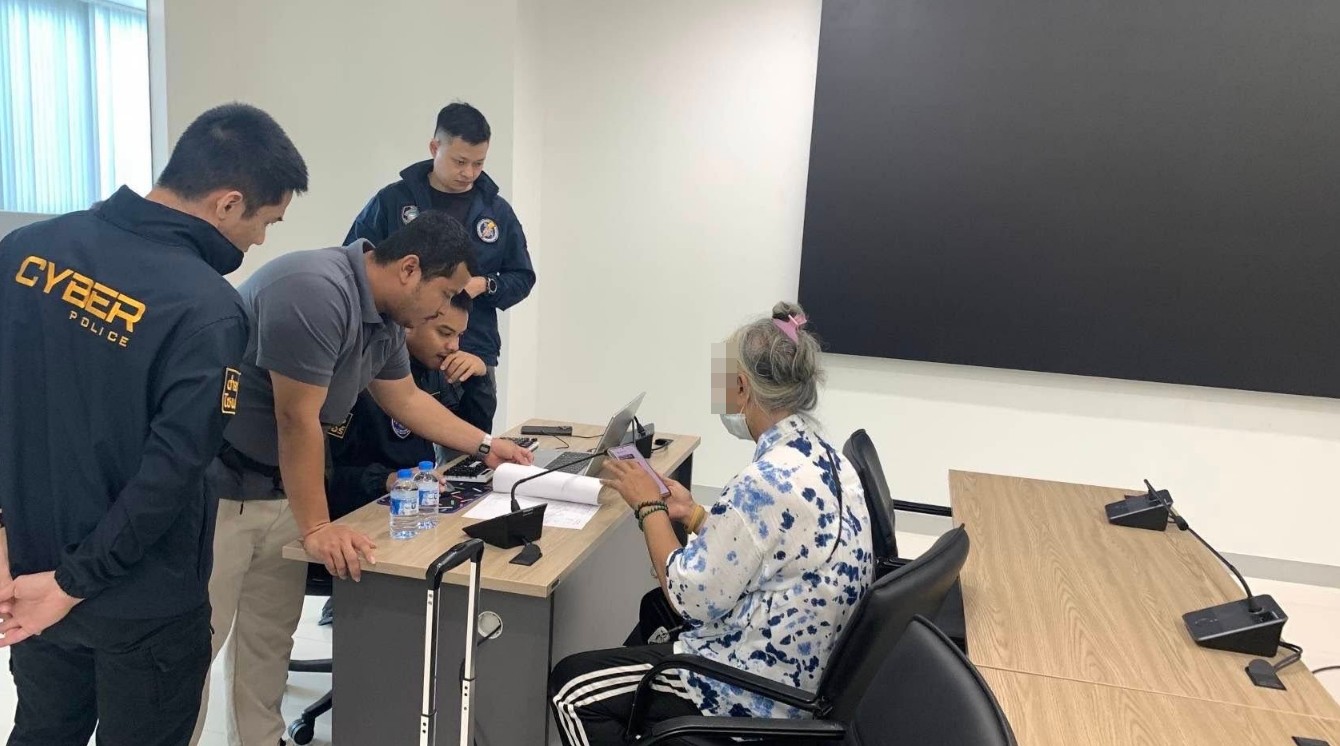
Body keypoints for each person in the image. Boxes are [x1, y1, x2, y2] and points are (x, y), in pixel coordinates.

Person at [0, 103, 308, 746]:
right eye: (265, 221)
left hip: (29, 578)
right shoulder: (207, 307)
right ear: (228, 203)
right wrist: (74, 583)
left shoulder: (26, 253)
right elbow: (171, 474)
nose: (259, 241)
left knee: (43, 732)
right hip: (141, 602)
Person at [195, 209, 533, 746]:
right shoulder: (316, 289)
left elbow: (406, 399)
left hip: (283, 490)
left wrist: (488, 447)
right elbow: (297, 419)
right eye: (445, 295)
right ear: (410, 269)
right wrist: (317, 528)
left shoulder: (384, 320)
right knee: (195, 645)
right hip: (220, 489)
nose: (443, 310)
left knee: (268, 642)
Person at [548, 302, 875, 745]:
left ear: (741, 386)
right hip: (807, 673)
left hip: (755, 692)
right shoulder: (826, 458)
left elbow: (688, 597)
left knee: (572, 689)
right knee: (652, 610)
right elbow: (773, 551)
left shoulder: (765, 482)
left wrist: (649, 508)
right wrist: (697, 516)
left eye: (724, 378)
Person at [346, 102, 535, 434]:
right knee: (394, 443)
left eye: (479, 163)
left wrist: (484, 285)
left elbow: (522, 277)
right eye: (460, 161)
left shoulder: (497, 211)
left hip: (471, 350)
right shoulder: (392, 201)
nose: (469, 173)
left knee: (471, 447)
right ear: (435, 148)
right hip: (398, 349)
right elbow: (358, 266)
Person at [326, 290, 486, 521]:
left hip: (417, 500)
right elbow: (327, 474)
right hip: (359, 511)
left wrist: (479, 380)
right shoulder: (362, 373)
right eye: (444, 333)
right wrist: (386, 479)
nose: (454, 346)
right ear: (411, 322)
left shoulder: (433, 369)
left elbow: (467, 436)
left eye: (459, 335)